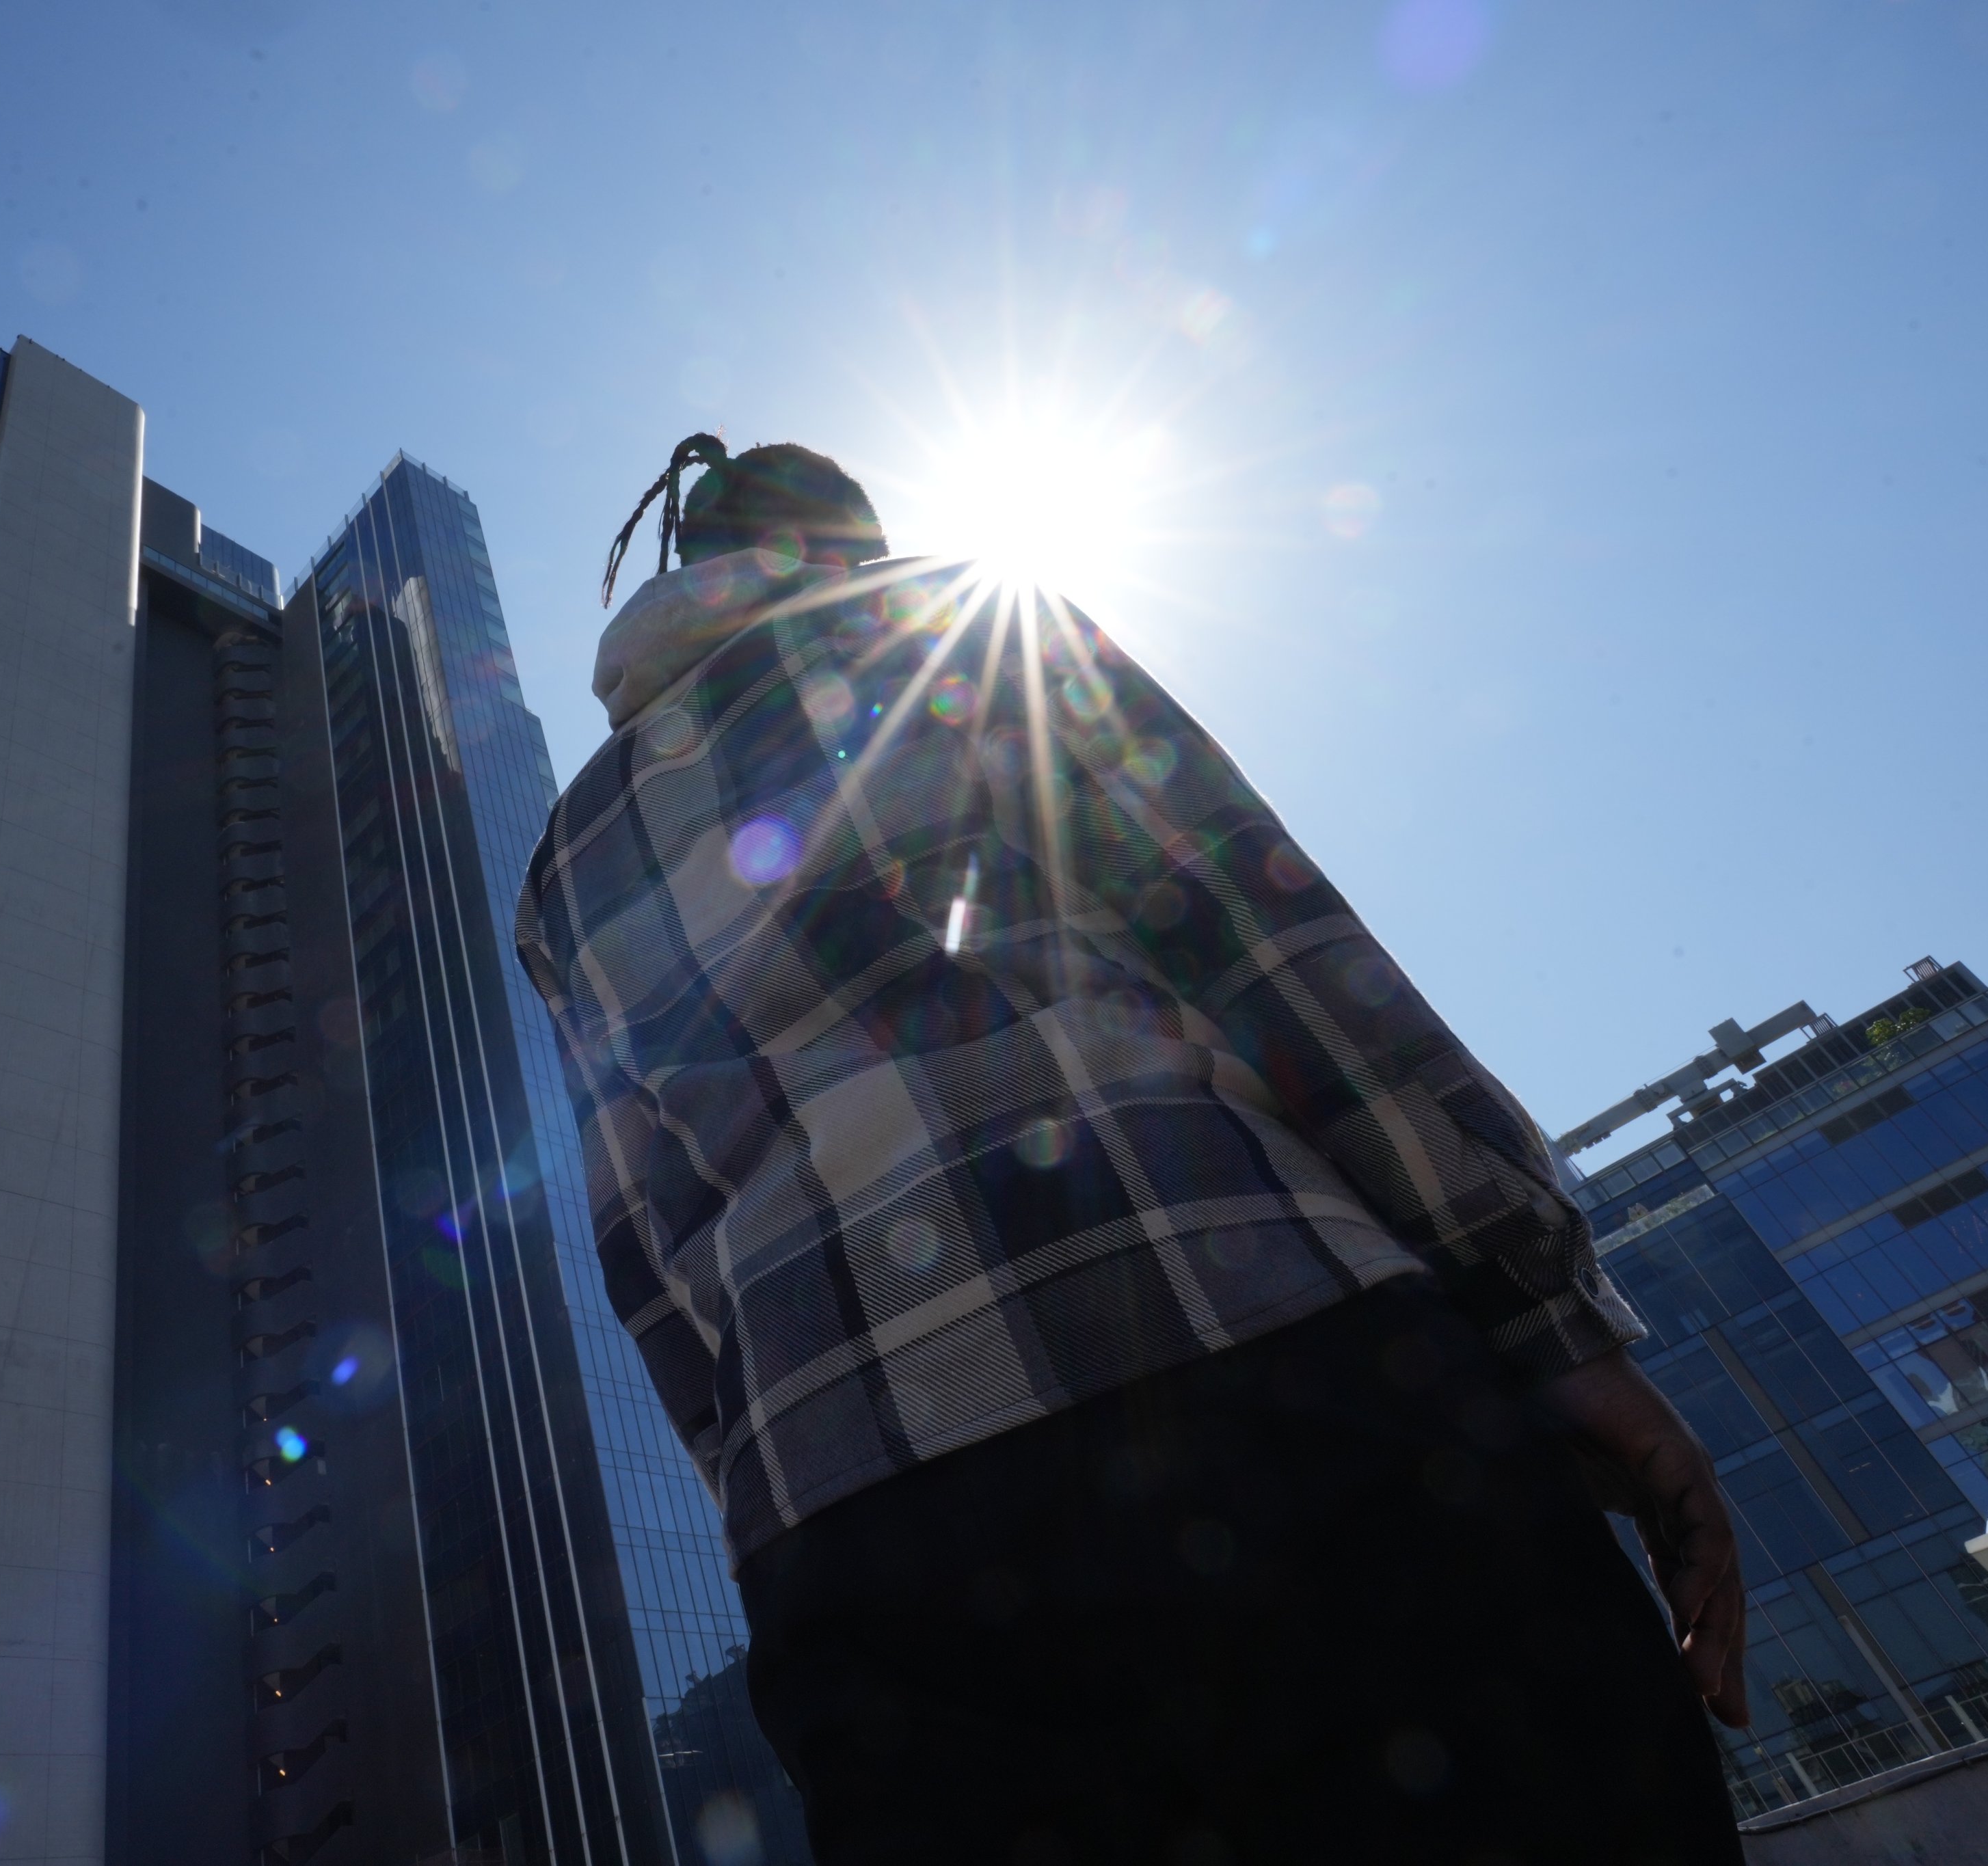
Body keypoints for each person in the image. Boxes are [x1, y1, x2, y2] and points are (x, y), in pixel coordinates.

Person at [514, 435, 1747, 1865]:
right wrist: (1549, 1323)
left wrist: (785, 1526)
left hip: (866, 1550)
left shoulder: (561, 867)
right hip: (1271, 1385)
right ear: (845, 543)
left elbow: (655, 1261)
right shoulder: (966, 632)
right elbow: (1278, 960)